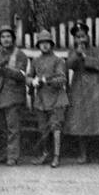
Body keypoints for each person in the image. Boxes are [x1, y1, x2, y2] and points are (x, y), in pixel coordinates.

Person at [64, 22, 99, 166]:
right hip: (79, 90)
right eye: (77, 37)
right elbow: (69, 65)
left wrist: (85, 57)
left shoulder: (97, 50)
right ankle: (83, 155)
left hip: (95, 89)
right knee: (80, 123)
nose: (81, 40)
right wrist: (77, 55)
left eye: (83, 36)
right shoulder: (72, 52)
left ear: (88, 36)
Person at [0, 26, 29, 166]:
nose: (6, 39)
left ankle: (13, 156)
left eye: (8, 36)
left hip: (13, 96)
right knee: (2, 127)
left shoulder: (20, 55)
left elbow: (21, 75)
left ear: (13, 39)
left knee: (13, 128)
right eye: (3, 37)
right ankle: (4, 154)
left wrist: (4, 69)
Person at [28, 31, 67, 168]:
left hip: (56, 98)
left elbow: (62, 78)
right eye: (41, 43)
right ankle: (45, 154)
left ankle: (56, 157)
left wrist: (46, 80)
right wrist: (32, 81)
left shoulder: (58, 60)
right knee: (43, 128)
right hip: (41, 99)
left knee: (56, 127)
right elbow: (28, 77)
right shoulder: (35, 61)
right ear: (38, 45)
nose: (44, 46)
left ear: (51, 44)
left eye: (47, 43)